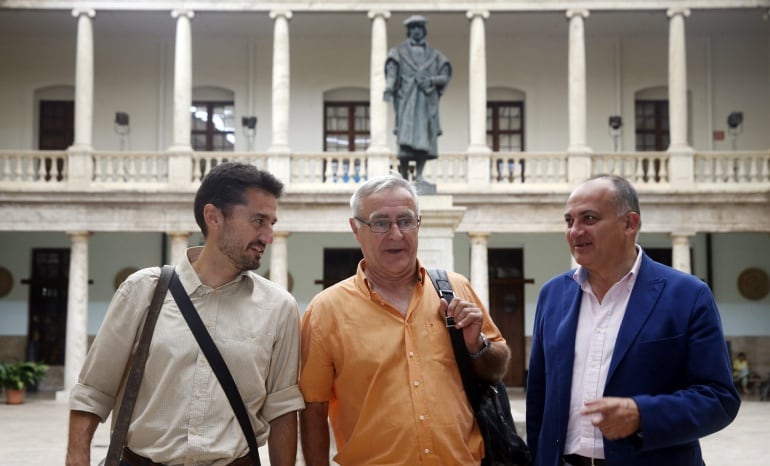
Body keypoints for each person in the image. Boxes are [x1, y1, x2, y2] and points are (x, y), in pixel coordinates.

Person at [65, 162, 304, 466]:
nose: (269, 236)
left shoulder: (279, 307)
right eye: (259, 221)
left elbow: (282, 409)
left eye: (272, 223)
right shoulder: (142, 291)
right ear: (213, 216)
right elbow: (93, 392)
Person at [526, 174, 740, 466]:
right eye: (569, 221)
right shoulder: (553, 294)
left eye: (589, 218)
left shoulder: (687, 295)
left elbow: (719, 399)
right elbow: (538, 396)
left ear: (630, 223)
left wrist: (642, 414)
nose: (575, 231)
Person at [299, 173, 510, 465]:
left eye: (406, 221)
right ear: (355, 229)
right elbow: (313, 407)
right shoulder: (327, 310)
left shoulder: (454, 288)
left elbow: (498, 367)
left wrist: (478, 345)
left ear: (418, 224)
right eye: (381, 223)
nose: (396, 234)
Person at [384, 15, 452, 185]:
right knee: (405, 138)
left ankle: (420, 176)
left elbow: (445, 75)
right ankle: (405, 175)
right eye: (413, 27)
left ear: (424, 31)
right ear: (408, 31)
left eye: (419, 28)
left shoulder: (435, 55)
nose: (416, 31)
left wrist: (432, 81)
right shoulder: (398, 52)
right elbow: (392, 70)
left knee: (424, 138)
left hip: (425, 101)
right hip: (406, 99)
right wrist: (389, 87)